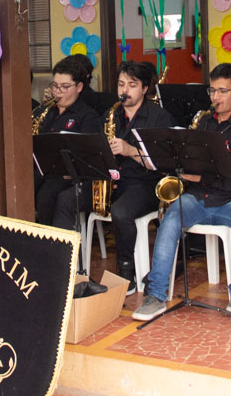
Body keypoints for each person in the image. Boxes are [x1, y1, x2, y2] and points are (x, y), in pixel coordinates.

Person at [132, 63, 231, 321]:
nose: (215, 97)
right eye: (212, 90)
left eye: (222, 91)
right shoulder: (205, 123)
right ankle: (156, 296)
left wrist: (201, 176)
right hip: (201, 197)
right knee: (170, 220)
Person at [53, 61, 176, 290]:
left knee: (121, 211)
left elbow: (164, 164)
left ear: (145, 89)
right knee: (66, 199)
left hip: (145, 183)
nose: (124, 91)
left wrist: (130, 151)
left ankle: (127, 272)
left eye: (132, 85)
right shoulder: (110, 115)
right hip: (111, 181)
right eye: (121, 84)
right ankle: (69, 268)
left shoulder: (160, 118)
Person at [33, 57, 103, 227]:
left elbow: (88, 156)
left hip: (69, 174)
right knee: (19, 187)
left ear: (79, 87)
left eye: (65, 87)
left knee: (46, 197)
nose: (58, 92)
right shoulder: (44, 111)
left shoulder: (87, 116)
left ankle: (50, 245)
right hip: (43, 170)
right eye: (55, 86)